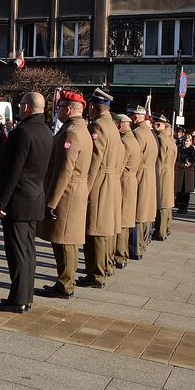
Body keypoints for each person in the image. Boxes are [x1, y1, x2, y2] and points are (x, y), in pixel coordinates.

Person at [0, 92, 52, 313]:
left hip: (17, 201)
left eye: (20, 105)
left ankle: (18, 300)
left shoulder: (22, 132)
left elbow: (12, 172)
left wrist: (1, 202)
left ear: (27, 107)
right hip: (35, 198)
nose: (19, 109)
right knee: (28, 251)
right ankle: (26, 297)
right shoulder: (46, 131)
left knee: (17, 252)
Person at [38, 91, 93, 299]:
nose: (57, 110)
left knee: (64, 241)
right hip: (73, 191)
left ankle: (65, 285)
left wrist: (52, 201)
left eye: (60, 107)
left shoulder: (71, 133)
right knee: (64, 240)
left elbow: (64, 170)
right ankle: (64, 281)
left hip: (67, 193)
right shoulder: (79, 129)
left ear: (69, 109)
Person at [78, 89, 123, 289]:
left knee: (94, 229)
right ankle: (104, 268)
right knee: (105, 229)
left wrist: (86, 188)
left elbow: (94, 159)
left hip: (99, 182)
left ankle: (96, 274)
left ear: (94, 108)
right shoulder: (112, 126)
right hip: (111, 180)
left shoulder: (97, 126)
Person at [130, 105, 158, 259]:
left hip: (140, 174)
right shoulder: (149, 133)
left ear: (137, 117)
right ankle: (142, 244)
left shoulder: (137, 133)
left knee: (137, 212)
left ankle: (136, 248)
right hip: (149, 175)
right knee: (145, 212)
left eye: (132, 115)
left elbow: (134, 156)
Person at [113, 114, 139, 269]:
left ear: (122, 125)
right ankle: (122, 254)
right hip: (131, 181)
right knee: (126, 220)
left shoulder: (125, 142)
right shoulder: (132, 139)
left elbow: (119, 165)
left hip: (124, 182)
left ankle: (120, 255)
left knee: (121, 221)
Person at [153, 115, 176, 238]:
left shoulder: (161, 138)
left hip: (161, 172)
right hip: (169, 172)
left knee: (162, 202)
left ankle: (160, 231)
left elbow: (159, 158)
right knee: (167, 203)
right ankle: (166, 229)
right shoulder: (171, 140)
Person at [174, 134, 195, 214]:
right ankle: (180, 206)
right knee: (180, 191)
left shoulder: (193, 150)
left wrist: (190, 164)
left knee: (186, 192)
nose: (186, 142)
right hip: (180, 172)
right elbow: (175, 161)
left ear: (191, 142)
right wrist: (182, 165)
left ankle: (185, 207)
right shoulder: (179, 149)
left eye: (187, 141)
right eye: (185, 141)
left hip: (189, 172)